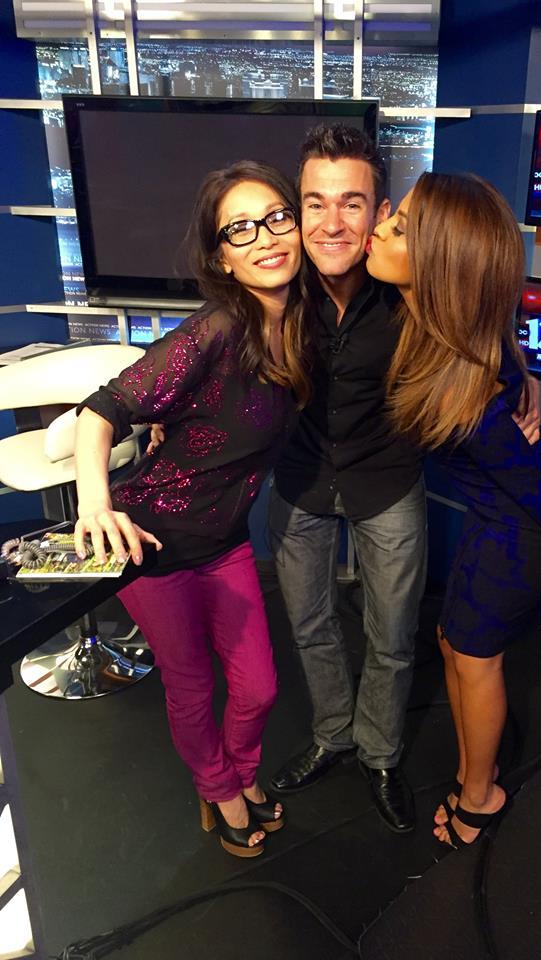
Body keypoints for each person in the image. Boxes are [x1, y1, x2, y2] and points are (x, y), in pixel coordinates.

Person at [267, 125, 540, 835]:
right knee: (310, 625)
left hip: (386, 482)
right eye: (316, 203)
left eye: (352, 203)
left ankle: (381, 754)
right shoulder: (275, 282)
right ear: (298, 208)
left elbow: (473, 310)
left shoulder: (405, 284)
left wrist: (518, 371)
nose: (332, 223)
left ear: (380, 211)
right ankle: (333, 735)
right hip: (299, 480)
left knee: (391, 635)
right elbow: (214, 347)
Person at [365, 171, 541, 847]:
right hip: (502, 506)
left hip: (532, 520)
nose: (379, 229)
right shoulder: (440, 326)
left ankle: (481, 795)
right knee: (452, 640)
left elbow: (538, 488)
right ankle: (471, 769)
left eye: (399, 227)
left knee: (475, 653)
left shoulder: (467, 391)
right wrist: (524, 374)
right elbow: (496, 339)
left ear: (438, 265)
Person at [73, 161, 310, 858]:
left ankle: (237, 771)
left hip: (225, 541)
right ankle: (221, 788)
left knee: (259, 688)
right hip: (152, 544)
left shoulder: (304, 326)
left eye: (277, 217)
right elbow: (102, 409)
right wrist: (95, 503)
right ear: (222, 258)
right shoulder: (214, 332)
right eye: (241, 228)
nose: (266, 236)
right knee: (191, 684)